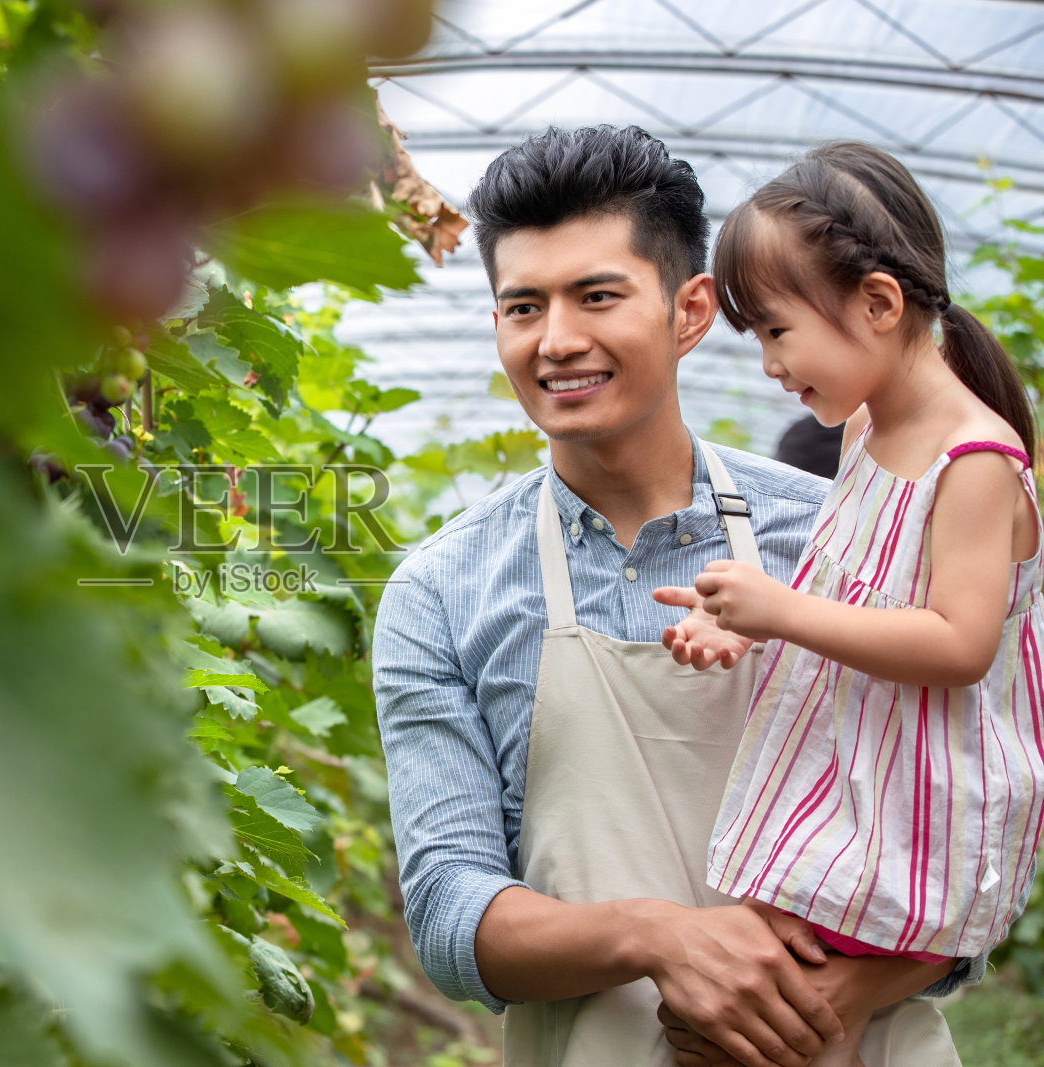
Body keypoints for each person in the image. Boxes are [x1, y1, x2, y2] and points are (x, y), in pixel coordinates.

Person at [372, 125, 973, 1067]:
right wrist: (659, 936)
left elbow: (963, 817)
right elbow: (451, 914)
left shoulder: (842, 531)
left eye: (598, 295)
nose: (557, 339)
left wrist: (821, 1001)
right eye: (522, 306)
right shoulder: (440, 592)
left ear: (690, 311)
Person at [652, 140, 1044, 1067]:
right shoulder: (869, 430)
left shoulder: (976, 462)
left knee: (753, 1016)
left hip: (913, 805)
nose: (769, 366)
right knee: (743, 1005)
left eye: (777, 332)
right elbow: (851, 588)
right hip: (852, 784)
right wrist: (735, 619)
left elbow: (958, 642)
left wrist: (778, 611)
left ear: (877, 303)